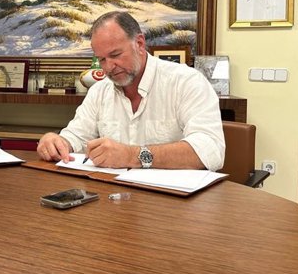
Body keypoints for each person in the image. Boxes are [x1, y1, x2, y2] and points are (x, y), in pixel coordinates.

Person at [36, 11, 225, 171]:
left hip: (175, 204)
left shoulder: (185, 82)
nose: (109, 67)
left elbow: (210, 150)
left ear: (140, 44)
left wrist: (132, 155)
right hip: (113, 199)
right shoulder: (99, 91)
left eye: (116, 55)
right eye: (101, 60)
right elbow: (76, 137)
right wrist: (57, 142)